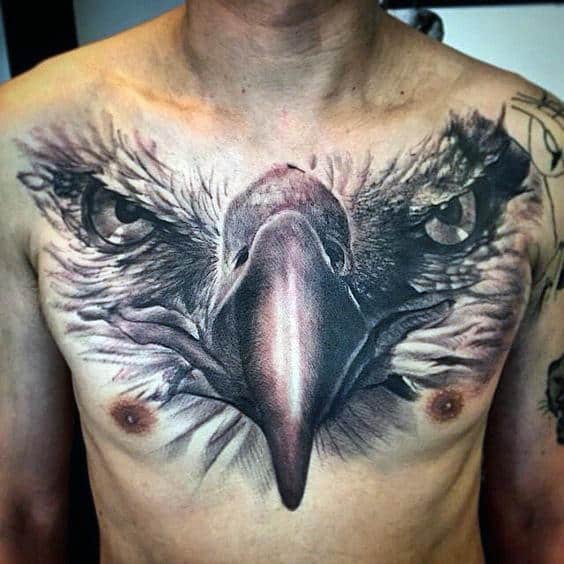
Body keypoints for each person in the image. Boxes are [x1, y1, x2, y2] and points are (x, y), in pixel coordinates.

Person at [1, 1, 563, 562]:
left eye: (449, 218)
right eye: (121, 216)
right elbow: (17, 519)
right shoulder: (23, 134)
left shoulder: (533, 152)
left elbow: (542, 518)